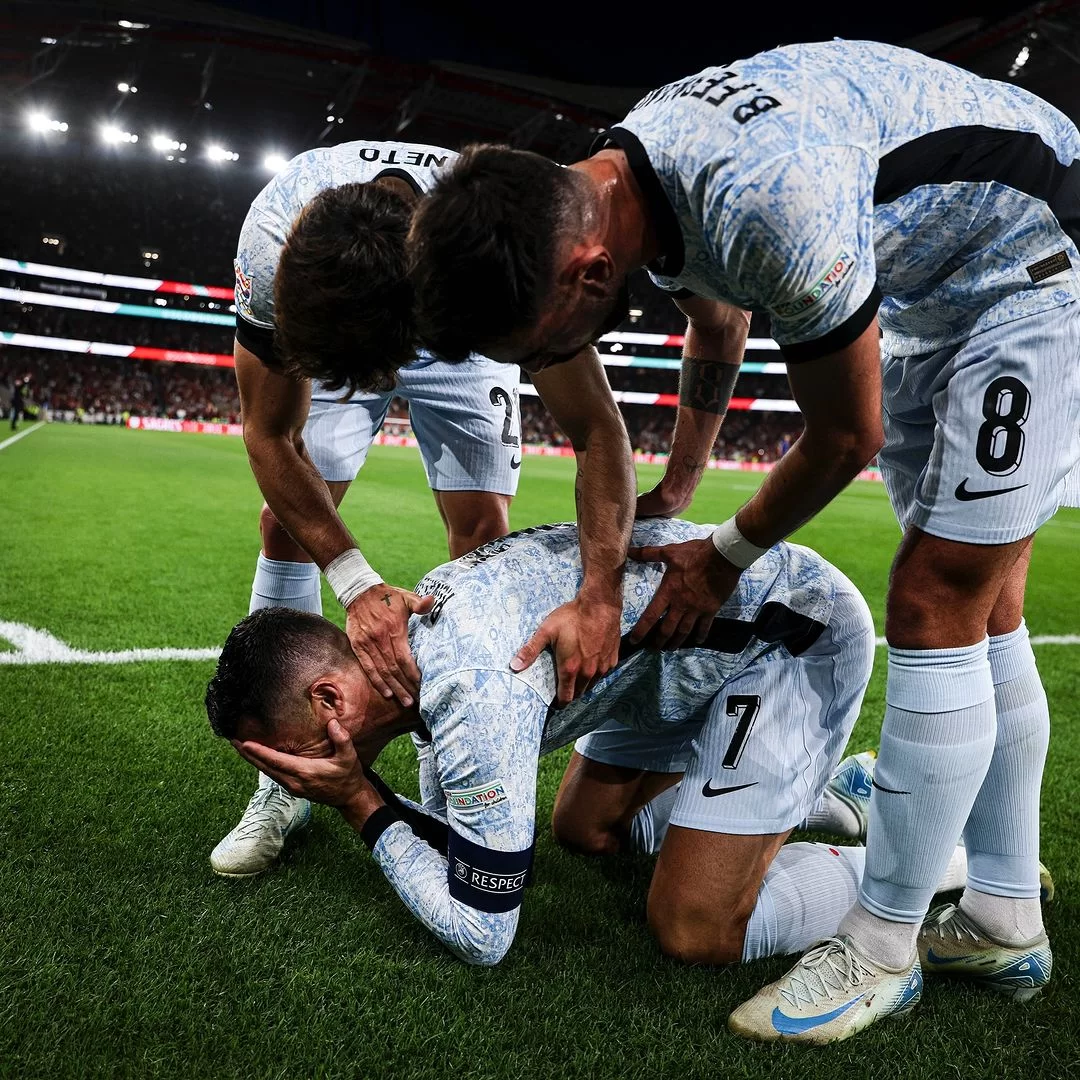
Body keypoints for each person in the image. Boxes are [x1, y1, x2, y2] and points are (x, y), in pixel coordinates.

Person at [409, 40, 1076, 1039]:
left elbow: (849, 435)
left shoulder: (765, 203)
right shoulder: (627, 175)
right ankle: (1003, 910)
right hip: (936, 281)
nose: (554, 366)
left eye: (546, 345)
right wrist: (679, 485)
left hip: (1028, 260)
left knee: (935, 595)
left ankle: (884, 943)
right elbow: (715, 327)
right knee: (991, 601)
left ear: (588, 272)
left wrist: (722, 555)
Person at [209, 516, 922, 968]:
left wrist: (358, 801)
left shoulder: (473, 692)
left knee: (693, 927)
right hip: (672, 666)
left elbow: (484, 934)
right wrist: (371, 798)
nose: (288, 775)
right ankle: (820, 797)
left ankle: (912, 872)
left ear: (331, 697)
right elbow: (458, 844)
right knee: (585, 830)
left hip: (788, 639)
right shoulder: (415, 654)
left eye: (285, 754)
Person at [215, 139, 634, 877]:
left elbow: (597, 430)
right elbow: (268, 434)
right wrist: (353, 579)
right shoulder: (275, 246)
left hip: (452, 298)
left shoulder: (501, 248)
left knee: (481, 535)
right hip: (356, 300)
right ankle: (279, 787)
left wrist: (603, 591)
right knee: (285, 525)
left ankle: (452, 748)